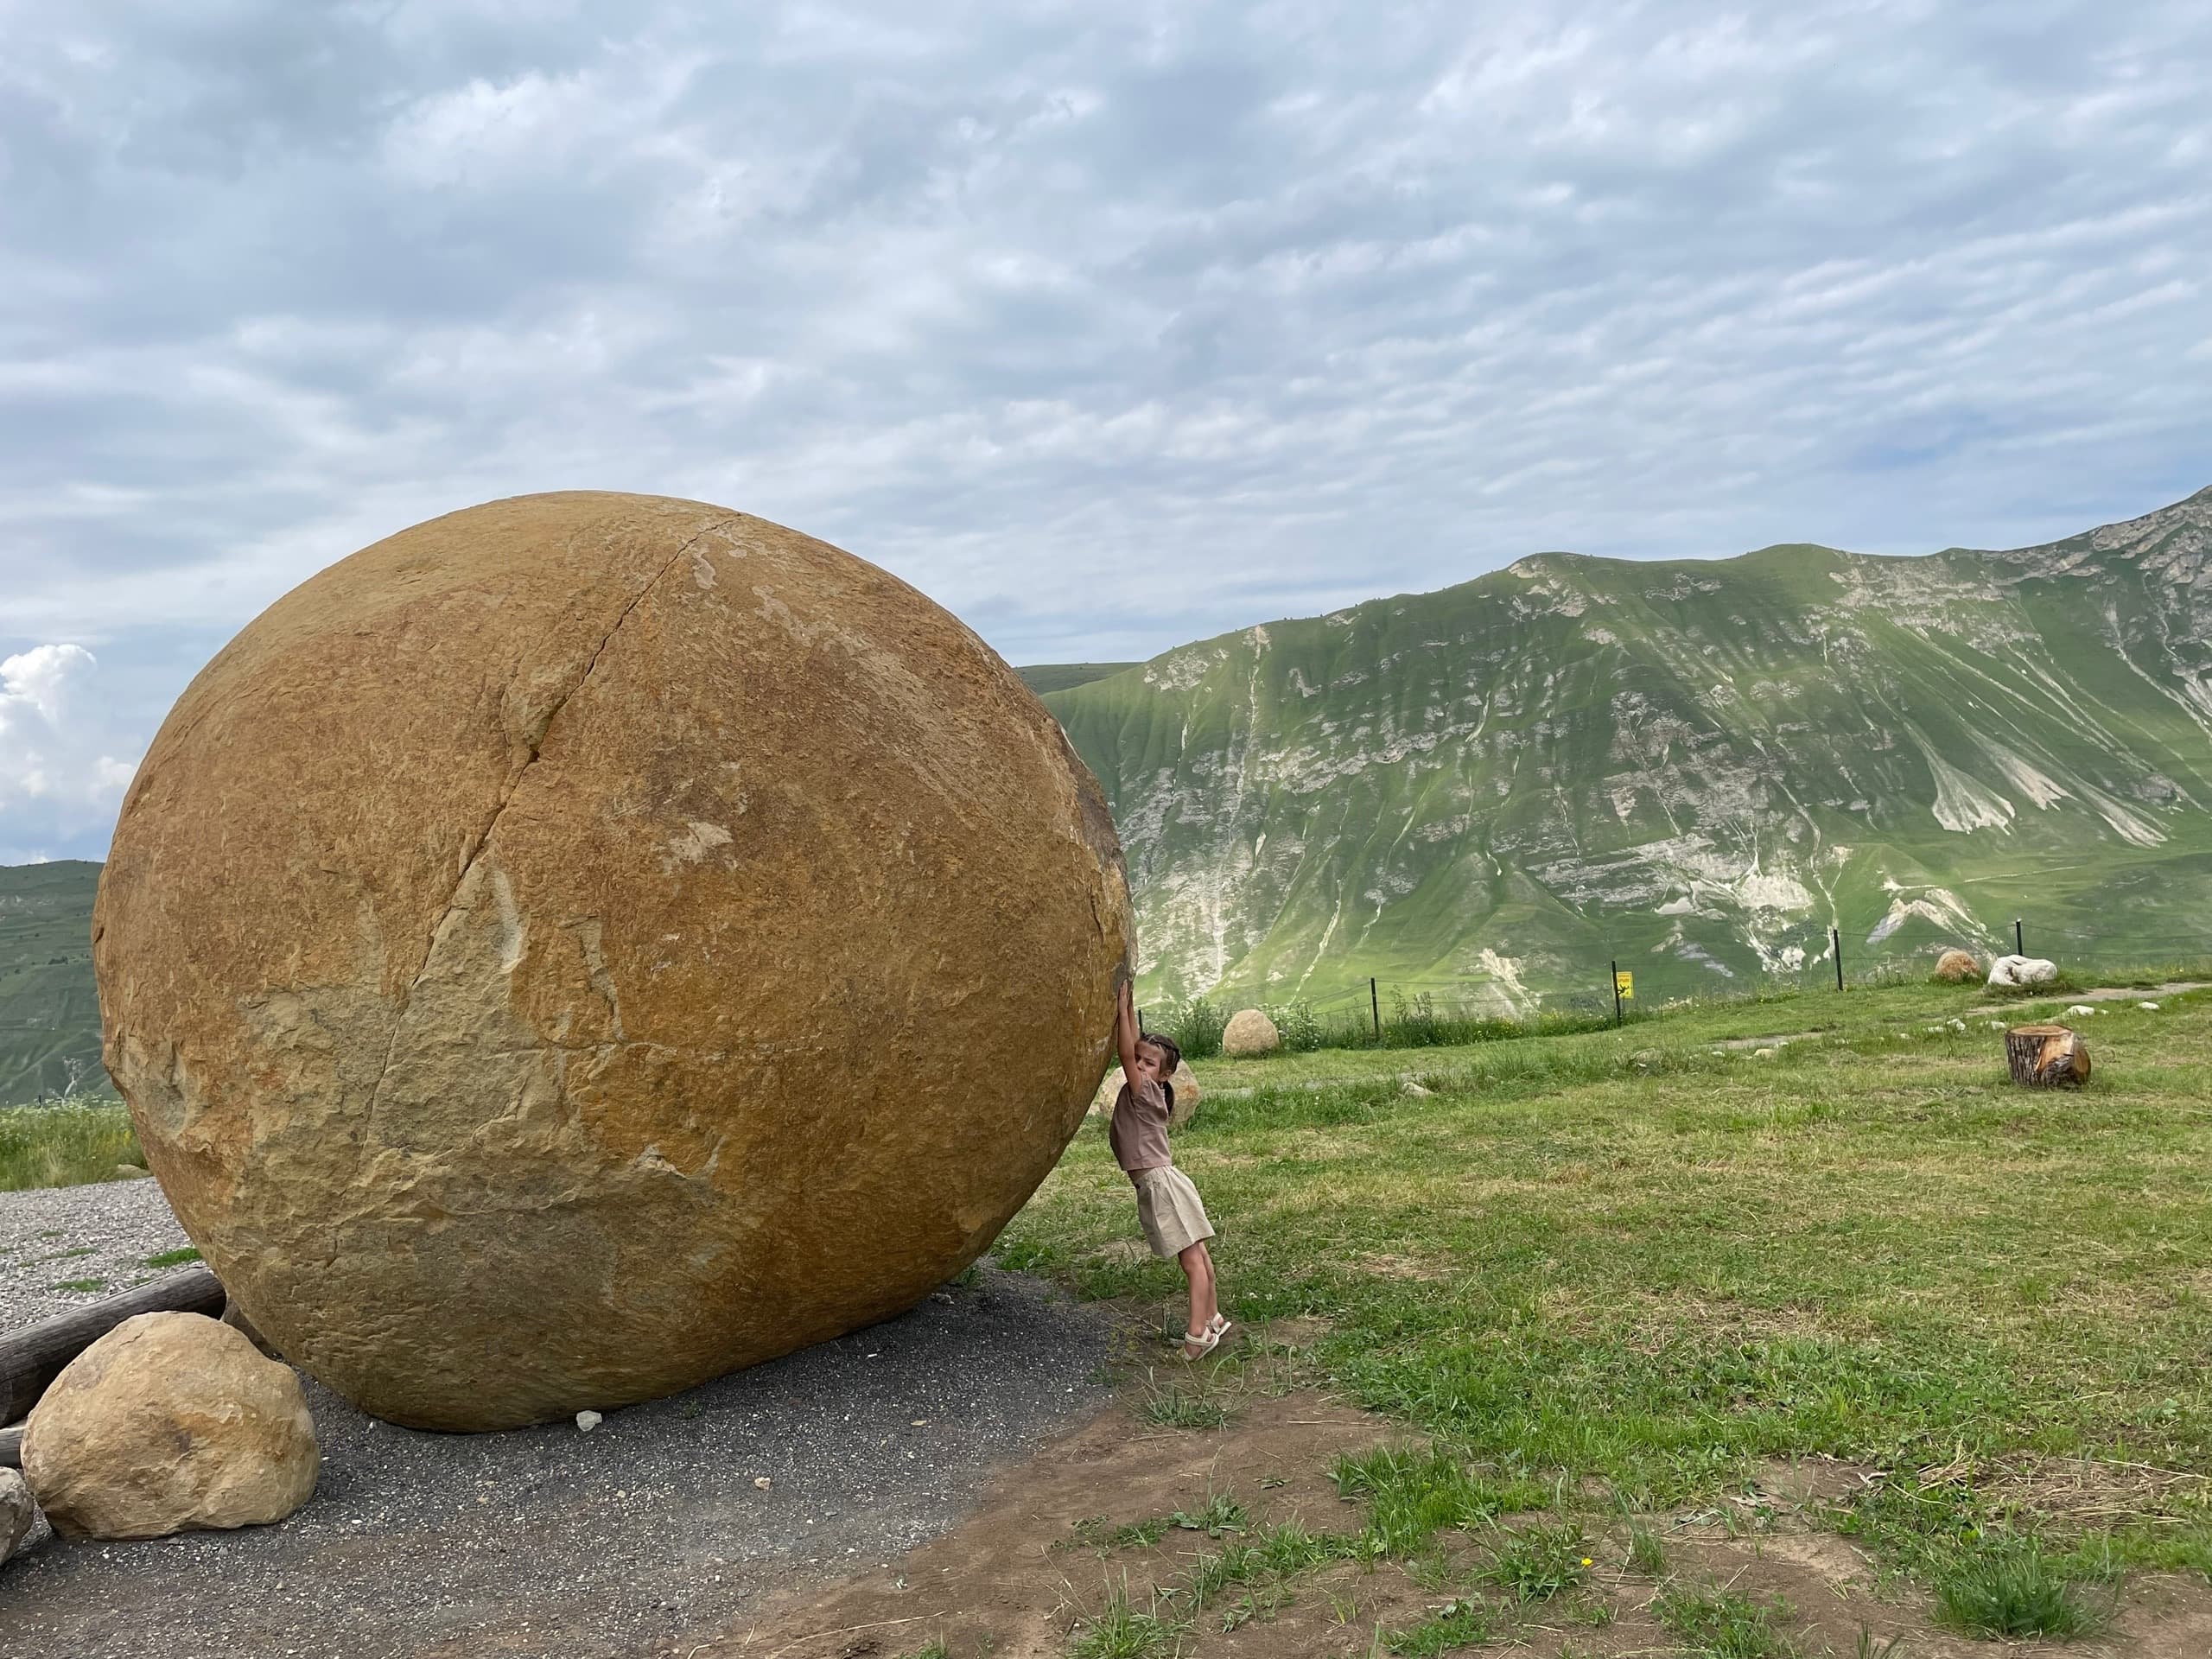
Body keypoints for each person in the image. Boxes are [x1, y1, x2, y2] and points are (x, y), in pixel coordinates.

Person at [1108, 978, 1229, 1359]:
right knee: (1199, 1255)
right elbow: (1133, 1047)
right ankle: (1213, 1318)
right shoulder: (1152, 1088)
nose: (1139, 1065)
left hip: (1159, 1183)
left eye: (1148, 1064)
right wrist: (1128, 1006)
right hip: (1166, 1179)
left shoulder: (1143, 1089)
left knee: (1191, 1262)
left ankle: (1197, 1337)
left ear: (1164, 1075)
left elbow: (1124, 1052)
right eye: (1140, 1060)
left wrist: (1121, 1010)